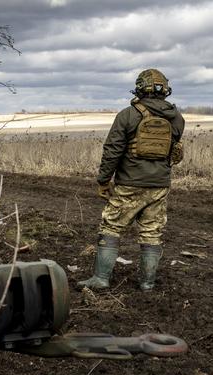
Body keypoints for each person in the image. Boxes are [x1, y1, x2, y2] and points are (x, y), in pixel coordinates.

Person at [77, 68, 185, 291]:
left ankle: (101, 278)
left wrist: (103, 180)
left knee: (111, 227)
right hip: (160, 185)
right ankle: (147, 283)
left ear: (140, 87)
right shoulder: (177, 118)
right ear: (165, 89)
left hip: (129, 184)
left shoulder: (127, 115)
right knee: (151, 231)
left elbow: (112, 151)